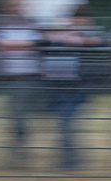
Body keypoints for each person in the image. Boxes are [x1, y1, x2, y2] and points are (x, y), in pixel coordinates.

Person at [42, 15, 103, 170]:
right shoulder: (58, 39)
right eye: (72, 21)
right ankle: (69, 159)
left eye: (79, 21)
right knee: (65, 125)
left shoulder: (88, 38)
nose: (74, 24)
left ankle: (70, 161)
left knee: (66, 124)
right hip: (59, 89)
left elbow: (100, 41)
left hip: (75, 90)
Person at [0, 0, 44, 164]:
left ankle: (19, 155)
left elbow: (36, 44)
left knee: (20, 118)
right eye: (14, 4)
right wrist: (24, 46)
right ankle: (17, 155)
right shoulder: (0, 24)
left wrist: (11, 46)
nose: (18, 8)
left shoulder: (32, 24)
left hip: (28, 76)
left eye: (20, 4)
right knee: (15, 117)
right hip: (9, 77)